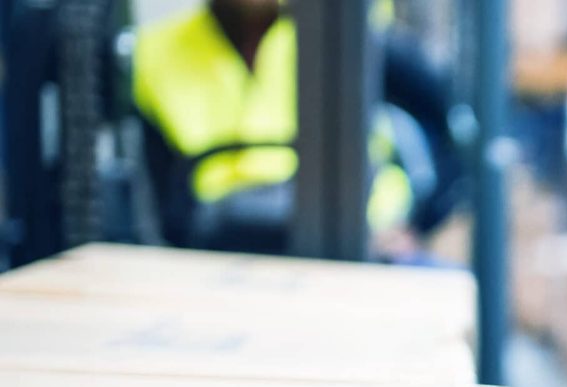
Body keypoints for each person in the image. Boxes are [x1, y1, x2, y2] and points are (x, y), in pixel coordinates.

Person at [131, 0, 460, 257]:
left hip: (358, 243)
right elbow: (157, 186)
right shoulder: (153, 51)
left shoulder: (348, 32)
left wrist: (418, 226)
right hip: (219, 246)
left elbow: (451, 129)